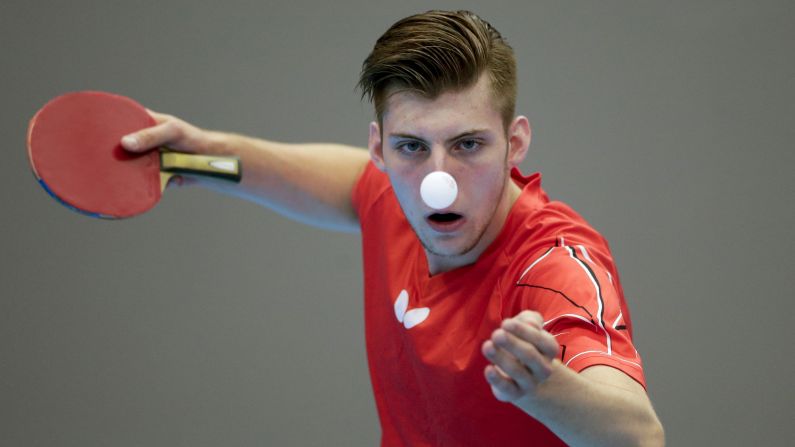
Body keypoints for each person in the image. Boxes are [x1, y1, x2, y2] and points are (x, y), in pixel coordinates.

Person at [121, 10, 664, 446]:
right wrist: (206, 155)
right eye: (412, 147)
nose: (437, 182)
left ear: (515, 142)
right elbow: (340, 182)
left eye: (468, 144)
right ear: (379, 148)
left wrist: (545, 389)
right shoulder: (395, 196)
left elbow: (640, 436)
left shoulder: (555, 265)